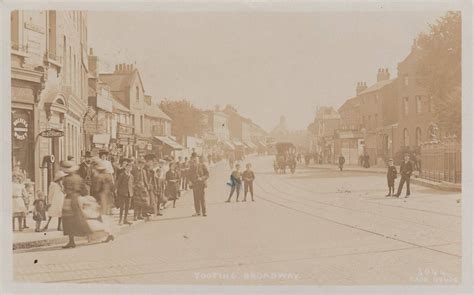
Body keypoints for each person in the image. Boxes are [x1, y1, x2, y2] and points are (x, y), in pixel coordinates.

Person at [60, 160, 91, 249]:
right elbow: (84, 190)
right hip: (77, 199)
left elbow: (64, 190)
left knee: (68, 220)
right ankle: (89, 235)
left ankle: (71, 241)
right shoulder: (79, 178)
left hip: (69, 199)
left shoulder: (66, 179)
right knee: (80, 218)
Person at [91, 160, 115, 242]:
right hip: (108, 198)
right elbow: (113, 188)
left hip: (101, 198)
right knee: (105, 217)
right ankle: (109, 234)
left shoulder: (98, 177)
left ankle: (109, 234)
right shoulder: (109, 176)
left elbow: (96, 189)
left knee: (102, 217)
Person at [116, 159, 134, 225]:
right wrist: (118, 191)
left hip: (129, 193)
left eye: (130, 167)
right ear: (125, 168)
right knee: (122, 207)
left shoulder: (132, 176)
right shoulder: (122, 175)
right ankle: (120, 219)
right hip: (122, 193)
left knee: (127, 207)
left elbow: (132, 185)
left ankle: (125, 219)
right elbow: (118, 183)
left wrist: (132, 192)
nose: (129, 169)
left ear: (131, 169)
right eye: (127, 167)